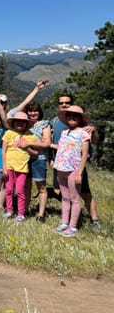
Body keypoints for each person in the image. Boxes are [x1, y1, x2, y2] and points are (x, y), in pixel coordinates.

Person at [51, 93, 100, 233]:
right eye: (69, 116)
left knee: (76, 198)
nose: (72, 118)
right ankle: (64, 222)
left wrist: (80, 172)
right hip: (61, 168)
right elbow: (61, 148)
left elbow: (84, 153)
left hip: (74, 169)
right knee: (65, 197)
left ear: (80, 118)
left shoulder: (84, 133)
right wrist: (47, 149)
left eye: (75, 116)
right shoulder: (64, 132)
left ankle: (73, 226)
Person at [1, 112, 38, 222]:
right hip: (9, 167)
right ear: (13, 122)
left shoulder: (31, 136)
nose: (20, 124)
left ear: (27, 124)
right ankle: (9, 211)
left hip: (22, 168)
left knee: (20, 190)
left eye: (23, 122)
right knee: (9, 189)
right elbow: (3, 150)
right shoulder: (8, 133)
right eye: (17, 121)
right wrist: (4, 166)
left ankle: (21, 213)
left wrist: (27, 147)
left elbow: (36, 153)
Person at [21, 101, 52, 223]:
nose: (33, 113)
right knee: (26, 186)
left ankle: (41, 214)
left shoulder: (44, 125)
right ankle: (25, 210)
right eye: (30, 110)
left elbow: (46, 143)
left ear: (39, 112)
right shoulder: (25, 124)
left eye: (35, 111)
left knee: (41, 187)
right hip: (24, 159)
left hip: (39, 159)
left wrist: (29, 143)